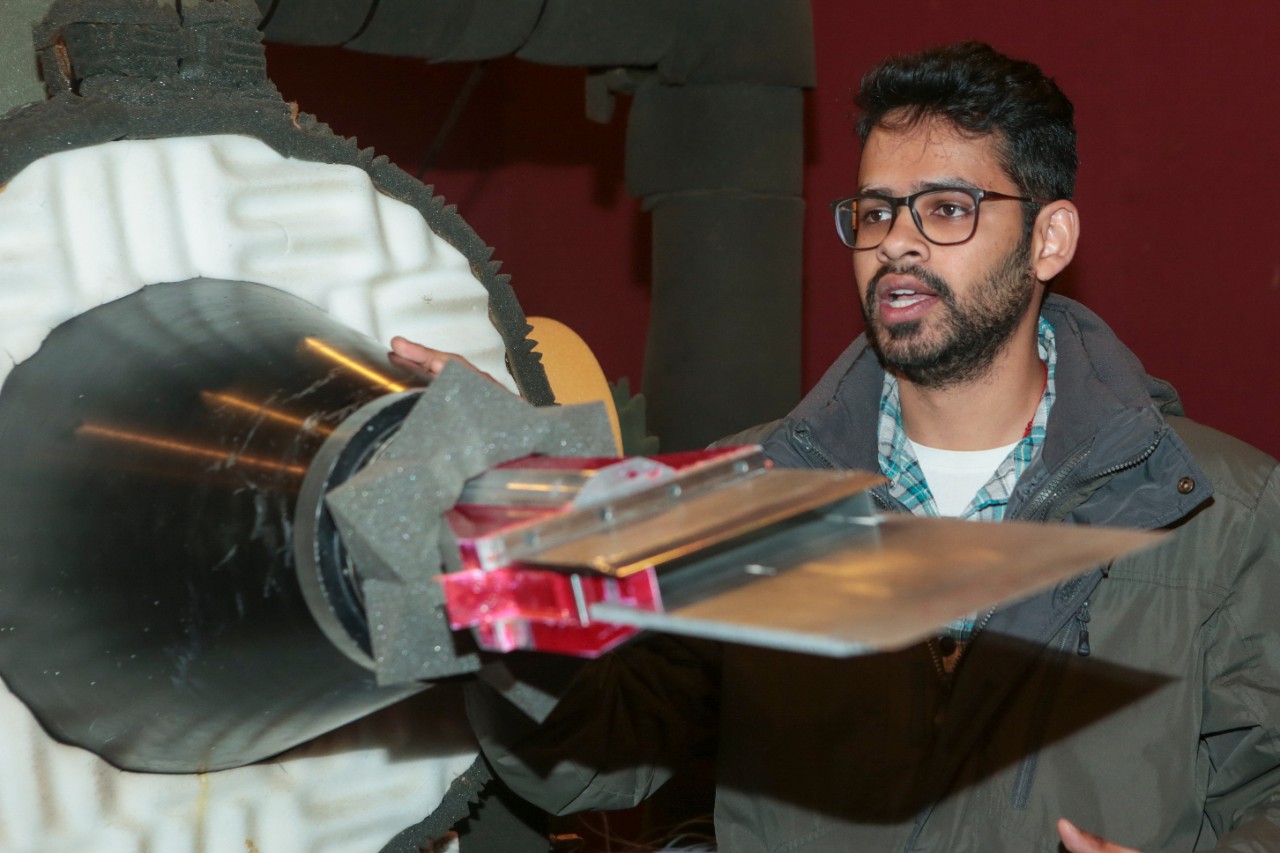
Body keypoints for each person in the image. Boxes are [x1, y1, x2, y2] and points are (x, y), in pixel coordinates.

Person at [391, 42, 1280, 853]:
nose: (895, 242)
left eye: (945, 209)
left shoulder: (1219, 505)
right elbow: (591, 763)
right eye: (875, 211)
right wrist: (516, 554)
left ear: (1049, 238)